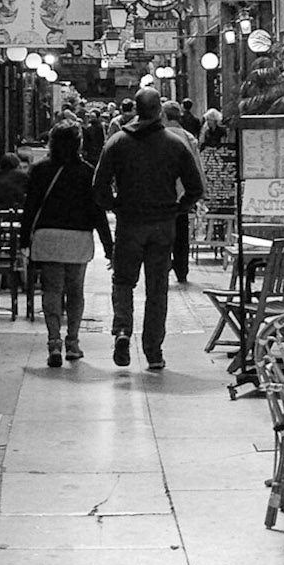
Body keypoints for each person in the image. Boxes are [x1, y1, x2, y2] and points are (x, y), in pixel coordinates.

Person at [92, 85, 203, 372]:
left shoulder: (117, 142)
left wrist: (114, 205)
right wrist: (179, 208)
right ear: (159, 111)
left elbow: (99, 186)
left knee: (123, 281)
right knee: (157, 289)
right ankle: (153, 350)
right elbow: (196, 187)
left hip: (130, 223)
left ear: (136, 110)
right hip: (163, 224)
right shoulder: (175, 144)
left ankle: (122, 331)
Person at [19, 119, 114, 368]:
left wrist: (23, 239)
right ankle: (72, 342)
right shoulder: (86, 172)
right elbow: (97, 211)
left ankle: (53, 342)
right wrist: (109, 245)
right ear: (78, 144)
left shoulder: (40, 171)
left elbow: (30, 207)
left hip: (48, 236)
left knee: (51, 290)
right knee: (75, 292)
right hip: (78, 238)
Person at [162, 99, 194, 283]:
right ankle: (182, 270)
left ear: (164, 116)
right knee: (182, 234)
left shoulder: (159, 137)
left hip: (163, 195)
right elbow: (197, 167)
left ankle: (163, 267)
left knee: (164, 234)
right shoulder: (189, 137)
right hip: (184, 195)